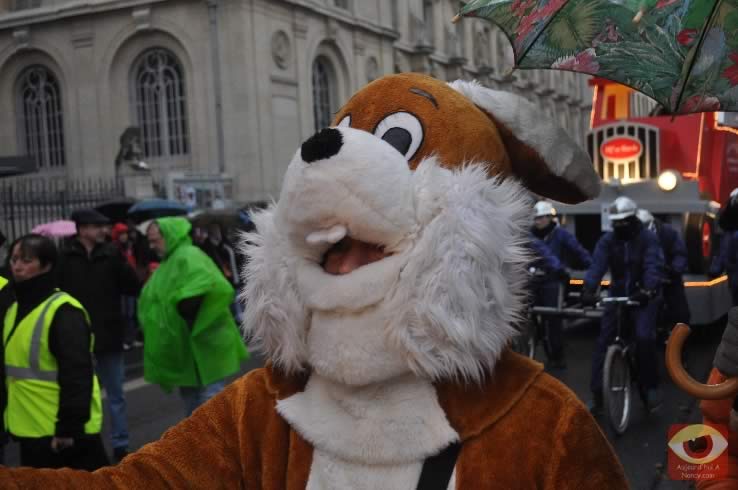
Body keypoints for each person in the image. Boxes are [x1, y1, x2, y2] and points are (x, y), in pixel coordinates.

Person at [0, 72, 627, 489]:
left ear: (458, 252)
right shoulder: (265, 407)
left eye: (372, 247)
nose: (344, 271)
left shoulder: (542, 423)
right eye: (330, 250)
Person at [3, 234, 108, 470]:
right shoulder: (15, 309)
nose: (17, 266)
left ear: (46, 265)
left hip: (64, 435)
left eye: (26, 260)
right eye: (14, 259)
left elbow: (77, 374)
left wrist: (68, 429)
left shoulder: (63, 311)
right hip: (31, 429)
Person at [138, 218, 248, 416]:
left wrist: (180, 306)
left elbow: (206, 285)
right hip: (188, 346)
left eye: (155, 240)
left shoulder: (188, 256)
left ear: (169, 235)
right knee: (195, 404)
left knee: (209, 404)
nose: (152, 246)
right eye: (150, 241)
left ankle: (212, 435)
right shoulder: (169, 262)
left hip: (204, 342)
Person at [56, 209, 140, 462]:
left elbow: (132, 286)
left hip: (109, 334)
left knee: (116, 395)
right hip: (77, 338)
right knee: (80, 393)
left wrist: (123, 263)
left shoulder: (111, 254)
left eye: (103, 226)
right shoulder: (65, 257)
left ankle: (120, 444)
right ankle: (86, 442)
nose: (103, 231)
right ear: (82, 230)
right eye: (97, 226)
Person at [582, 196, 665, 415]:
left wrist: (647, 290)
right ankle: (598, 395)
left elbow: (653, 265)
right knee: (603, 341)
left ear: (633, 219)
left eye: (623, 221)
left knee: (644, 337)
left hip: (643, 295)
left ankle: (650, 388)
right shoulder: (607, 241)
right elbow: (597, 265)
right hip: (617, 293)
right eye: (616, 222)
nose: (619, 225)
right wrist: (588, 289)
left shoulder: (648, 239)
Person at [530, 200, 592, 368]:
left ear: (550, 218)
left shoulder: (561, 235)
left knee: (553, 319)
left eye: (541, 218)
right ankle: (533, 340)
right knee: (527, 313)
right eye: (536, 218)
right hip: (534, 279)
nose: (538, 221)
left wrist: (590, 268)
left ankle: (557, 356)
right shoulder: (530, 235)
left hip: (554, 280)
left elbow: (579, 251)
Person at [636, 209, 691, 326]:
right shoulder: (635, 235)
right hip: (646, 279)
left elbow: (680, 254)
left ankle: (679, 334)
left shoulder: (668, 232)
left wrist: (674, 270)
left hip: (669, 278)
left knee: (681, 314)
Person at [111, 223, 140, 351]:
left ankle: (131, 339)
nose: (124, 236)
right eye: (121, 234)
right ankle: (124, 339)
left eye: (125, 234)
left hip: (130, 283)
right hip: (121, 285)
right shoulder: (114, 249)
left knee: (131, 313)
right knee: (123, 314)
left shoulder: (129, 247)